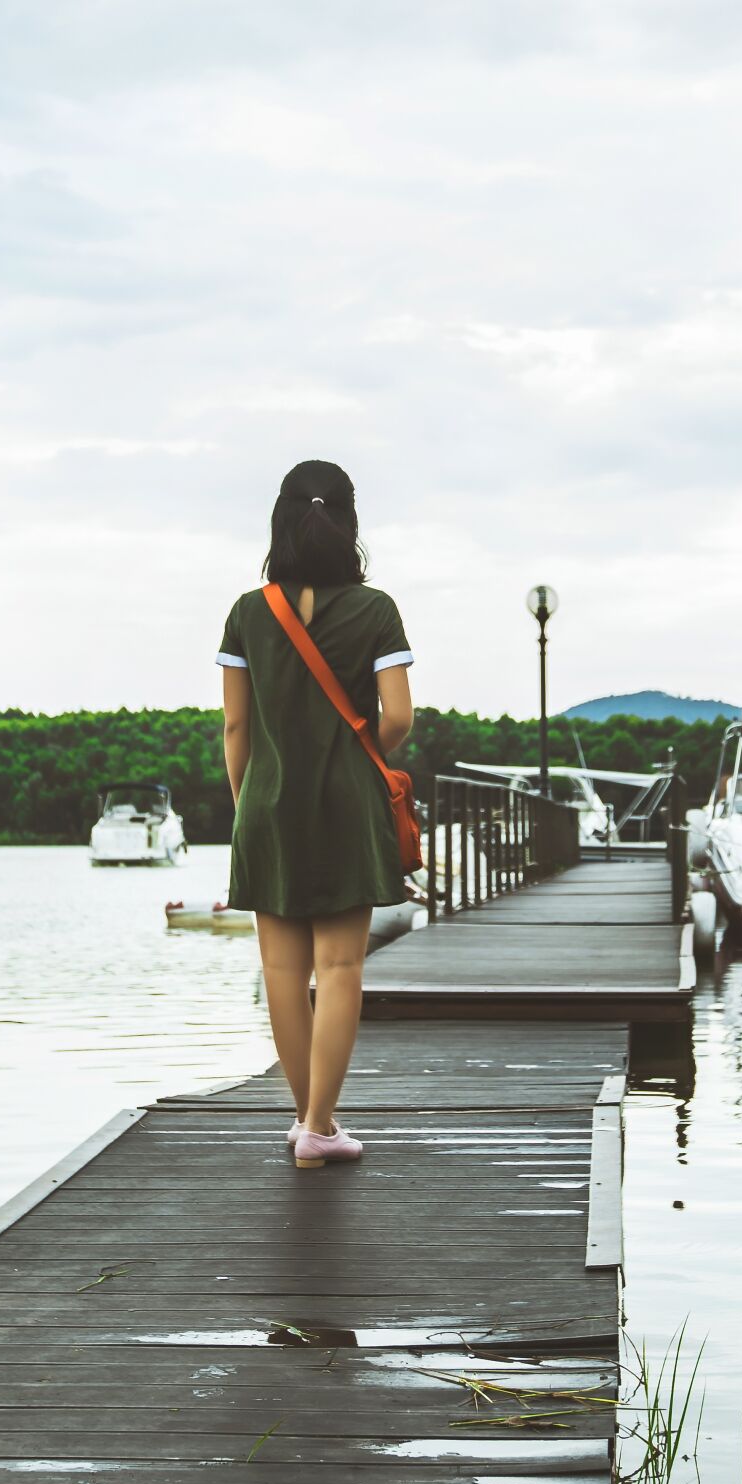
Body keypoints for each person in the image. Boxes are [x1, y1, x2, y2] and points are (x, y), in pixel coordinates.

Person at [217, 460, 415, 1168]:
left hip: (267, 808)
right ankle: (318, 1126)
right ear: (349, 523)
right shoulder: (376, 608)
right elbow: (398, 717)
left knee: (280, 970)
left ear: (281, 518)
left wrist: (248, 804)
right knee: (339, 967)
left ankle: (309, 1120)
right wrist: (359, 747)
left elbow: (236, 730)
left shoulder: (248, 611)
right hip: (346, 805)